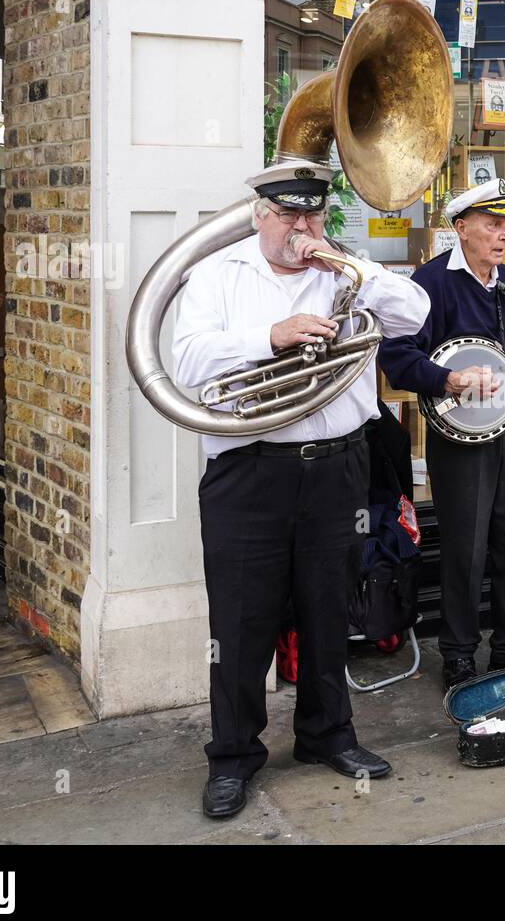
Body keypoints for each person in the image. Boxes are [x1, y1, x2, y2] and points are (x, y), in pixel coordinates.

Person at [172, 159, 431, 820]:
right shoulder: (218, 275)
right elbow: (187, 360)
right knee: (240, 619)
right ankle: (232, 756)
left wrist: (356, 269)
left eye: (313, 213)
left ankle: (327, 735)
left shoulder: (343, 273)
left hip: (337, 466)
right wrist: (271, 337)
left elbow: (415, 316)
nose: (302, 227)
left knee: (328, 606)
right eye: (288, 214)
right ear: (260, 214)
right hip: (249, 473)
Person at [379, 179, 505, 693]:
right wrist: (447, 378)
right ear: (460, 229)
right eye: (492, 225)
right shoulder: (429, 285)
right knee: (465, 550)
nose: (503, 236)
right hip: (458, 440)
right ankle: (458, 656)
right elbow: (396, 357)